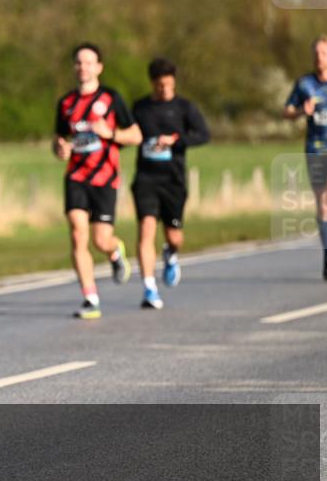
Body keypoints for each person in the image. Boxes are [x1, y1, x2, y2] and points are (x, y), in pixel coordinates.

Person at [53, 42, 142, 319]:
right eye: (79, 62)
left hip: (105, 177)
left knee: (100, 240)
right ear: (74, 67)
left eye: (89, 62)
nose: (83, 67)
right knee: (77, 234)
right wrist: (60, 149)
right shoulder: (66, 103)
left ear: (99, 67)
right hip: (76, 176)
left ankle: (114, 252)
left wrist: (110, 133)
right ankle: (90, 298)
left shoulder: (111, 98)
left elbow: (136, 136)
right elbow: (59, 140)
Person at [131, 58, 210, 309]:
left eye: (169, 84)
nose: (165, 89)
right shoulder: (140, 108)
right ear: (152, 83)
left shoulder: (184, 108)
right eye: (160, 85)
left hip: (173, 180)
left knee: (174, 236)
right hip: (146, 178)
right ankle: (149, 288)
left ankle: (171, 253)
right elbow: (128, 134)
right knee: (146, 229)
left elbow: (203, 135)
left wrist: (175, 140)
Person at [284, 34, 327, 284]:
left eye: (324, 53)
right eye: (316, 53)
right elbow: (286, 111)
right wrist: (300, 111)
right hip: (315, 150)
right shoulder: (304, 84)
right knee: (322, 205)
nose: (320, 57)